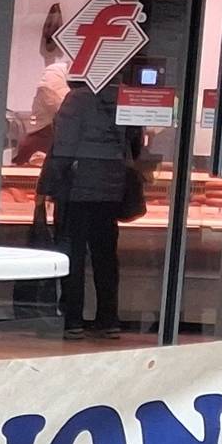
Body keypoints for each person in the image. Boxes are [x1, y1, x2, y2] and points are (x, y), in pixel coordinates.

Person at [39, 79, 140, 341]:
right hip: (111, 188)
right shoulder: (124, 96)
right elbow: (135, 143)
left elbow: (64, 145)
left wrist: (50, 182)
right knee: (106, 255)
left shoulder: (77, 99)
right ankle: (108, 320)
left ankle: (73, 319)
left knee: (72, 254)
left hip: (77, 188)